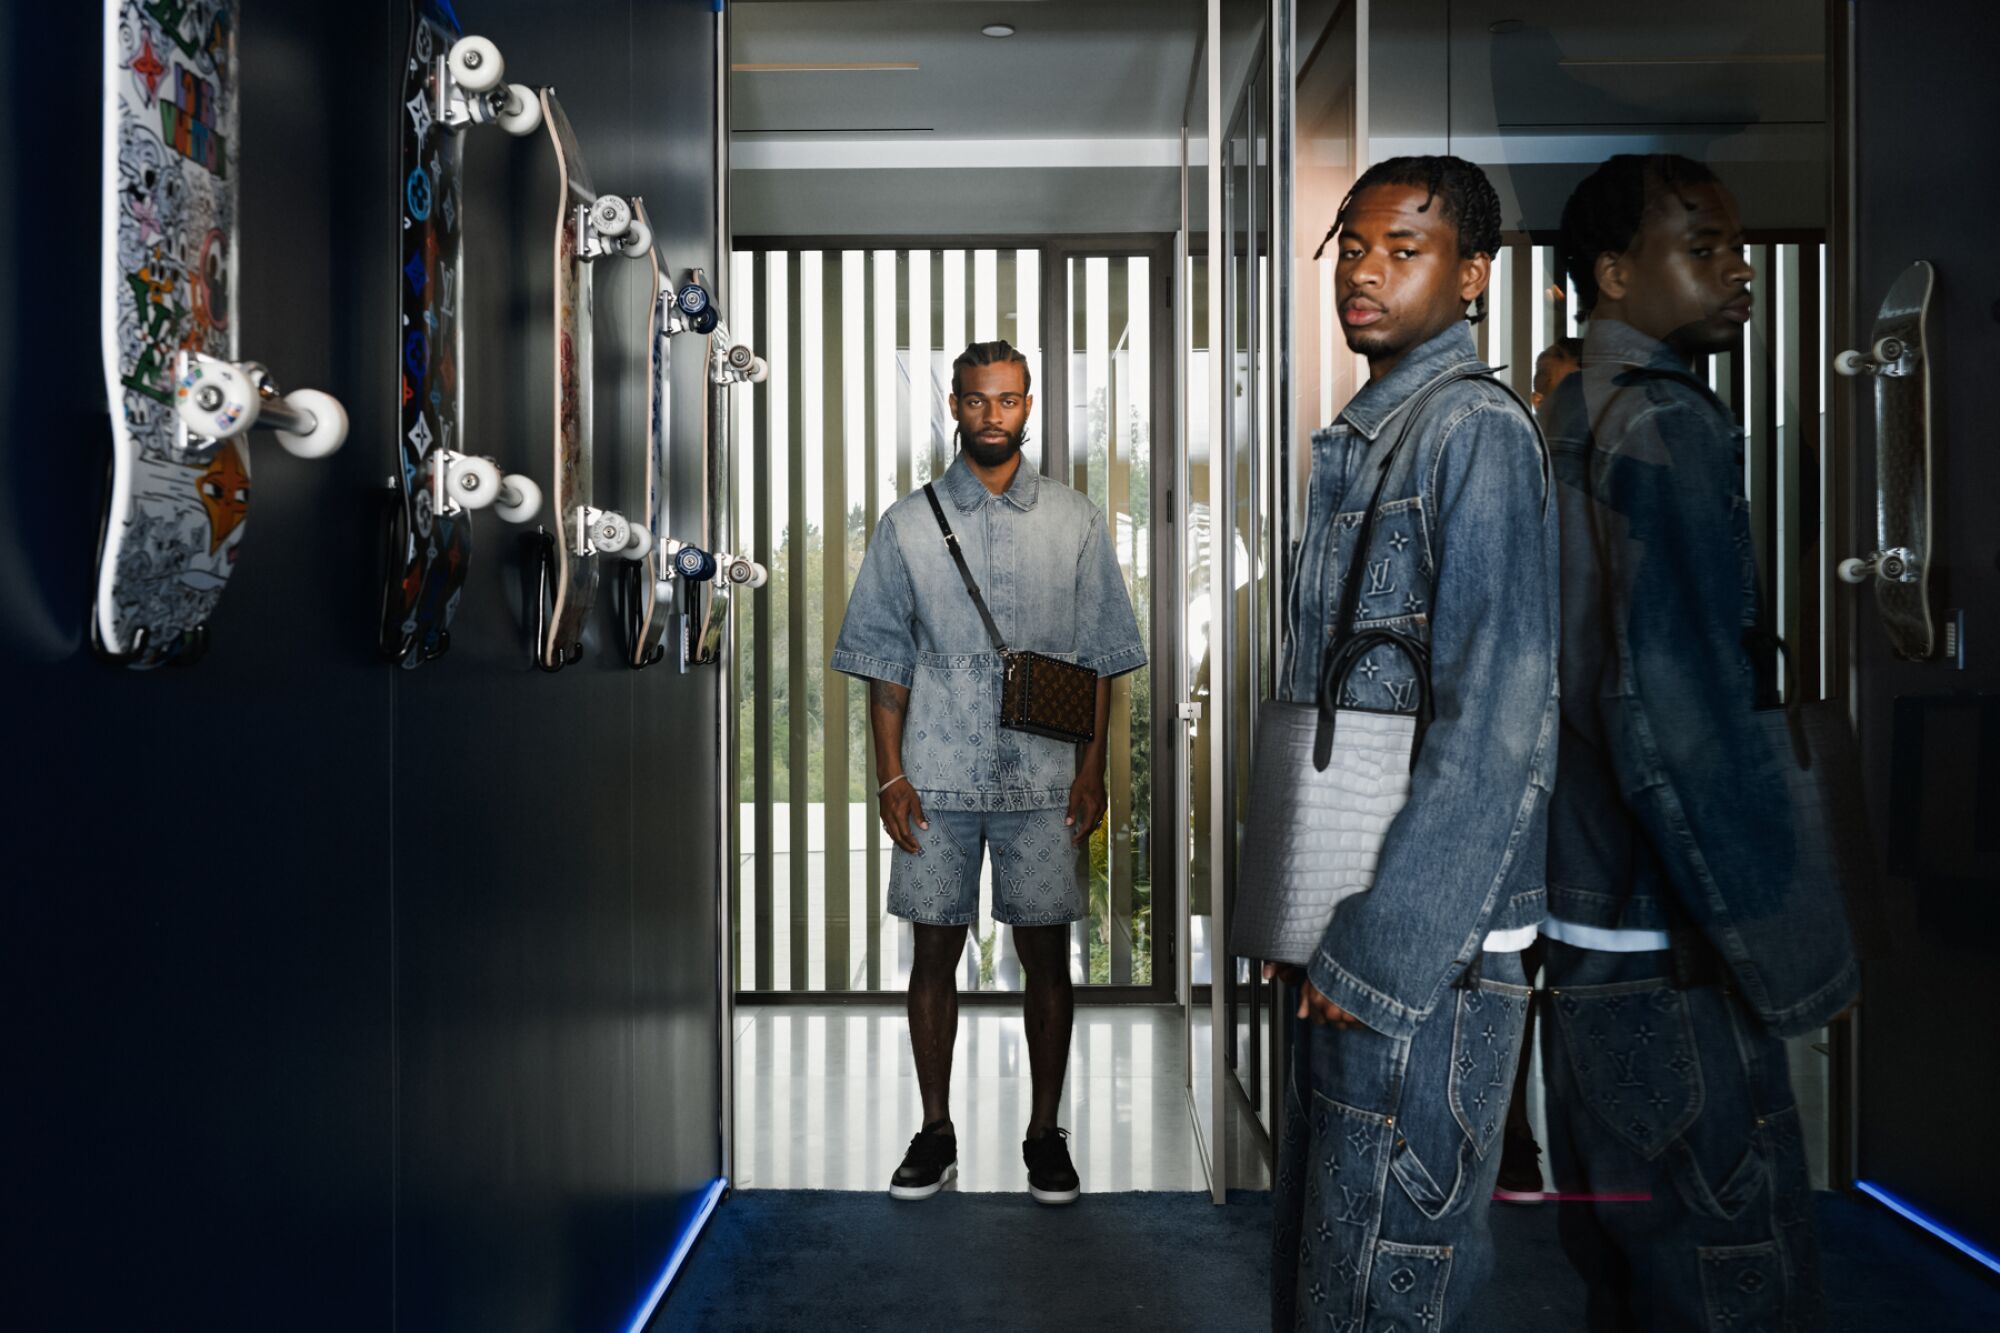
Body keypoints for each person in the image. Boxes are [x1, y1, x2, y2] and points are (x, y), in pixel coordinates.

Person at [1541, 153, 1857, 1330]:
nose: (1740, 271)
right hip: (1667, 948)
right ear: (1614, 275)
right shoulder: (1662, 426)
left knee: (1627, 1274)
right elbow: (1672, 715)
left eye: (1737, 246)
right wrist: (1784, 954)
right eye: (1703, 247)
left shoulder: (1569, 411)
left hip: (1584, 938)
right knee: (1733, 1274)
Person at [1263, 156, 1559, 1331]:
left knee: (1390, 1274)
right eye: (1354, 247)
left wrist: (1380, 943)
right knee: (1332, 1260)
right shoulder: (1372, 440)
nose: (1366, 272)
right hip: (1357, 918)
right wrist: (1308, 918)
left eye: (1405, 249)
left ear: (1472, 273)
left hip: (1425, 941)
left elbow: (1497, 721)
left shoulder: (1473, 431)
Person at [829, 340, 1145, 1207]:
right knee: (932, 953)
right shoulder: (907, 522)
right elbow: (886, 664)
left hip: (1047, 785)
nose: (992, 416)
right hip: (934, 780)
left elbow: (1104, 659)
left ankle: (1045, 1133)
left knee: (1048, 957)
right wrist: (891, 777)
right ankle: (935, 1129)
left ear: (1029, 405)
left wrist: (1093, 774)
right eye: (976, 401)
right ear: (954, 405)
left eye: (1007, 401)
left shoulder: (1077, 520)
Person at [1495, 332, 1586, 1201]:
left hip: (1595, 766)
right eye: (1550, 393)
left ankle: (1584, 1133)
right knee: (1517, 956)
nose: (1561, 410)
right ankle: (1515, 1132)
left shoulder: (1626, 491)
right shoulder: (1510, 490)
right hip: (1521, 760)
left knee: (1585, 959)